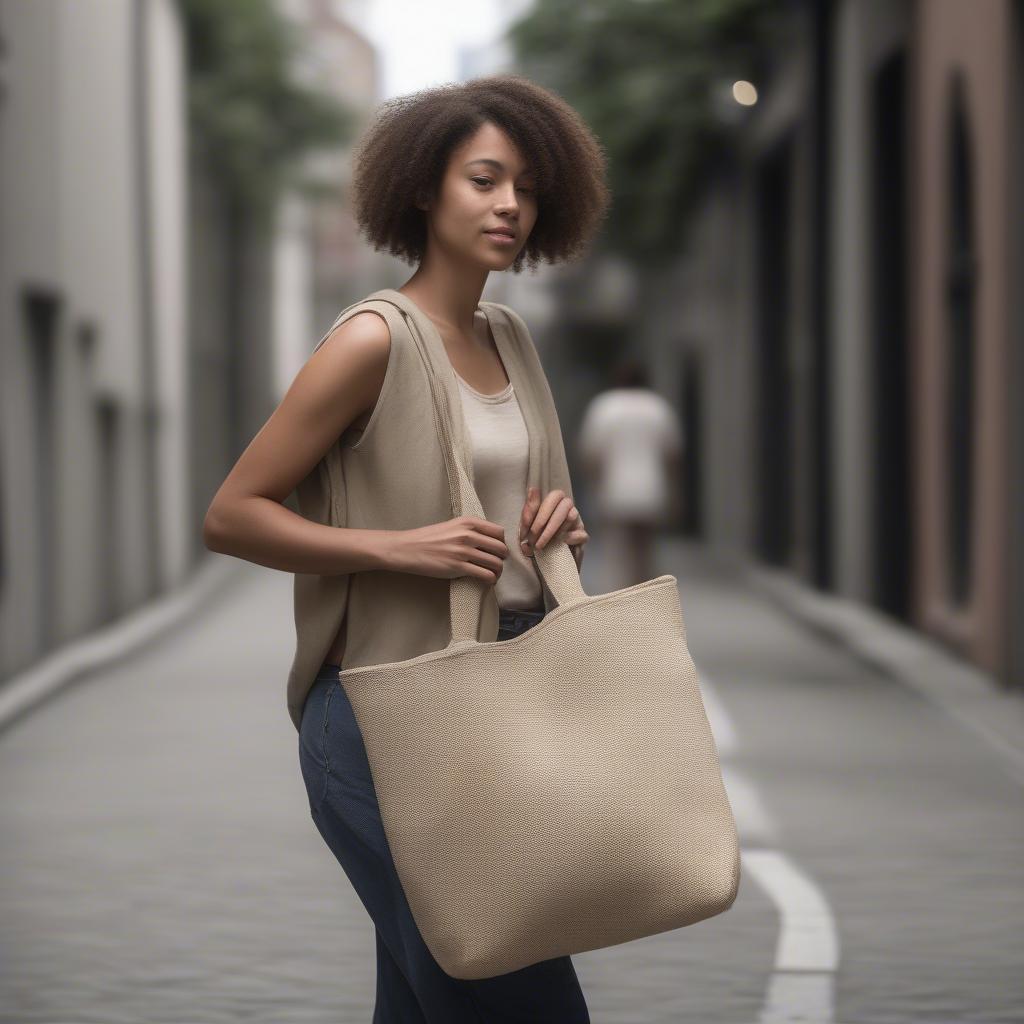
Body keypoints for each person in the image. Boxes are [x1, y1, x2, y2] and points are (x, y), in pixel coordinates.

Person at [202, 74, 610, 1022]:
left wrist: (561, 533)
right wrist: (397, 548)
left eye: (529, 187)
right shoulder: (371, 341)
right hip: (385, 723)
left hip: (497, 713)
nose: (511, 203)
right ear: (425, 188)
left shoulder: (510, 338)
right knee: (519, 998)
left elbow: (521, 516)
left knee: (434, 1001)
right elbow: (232, 512)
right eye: (484, 178)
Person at [578, 357, 684, 586]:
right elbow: (672, 456)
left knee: (618, 555)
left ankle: (625, 601)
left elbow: (592, 455)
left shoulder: (605, 406)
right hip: (651, 490)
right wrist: (675, 493)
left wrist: (595, 488)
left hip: (615, 490)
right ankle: (645, 593)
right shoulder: (658, 407)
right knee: (645, 552)